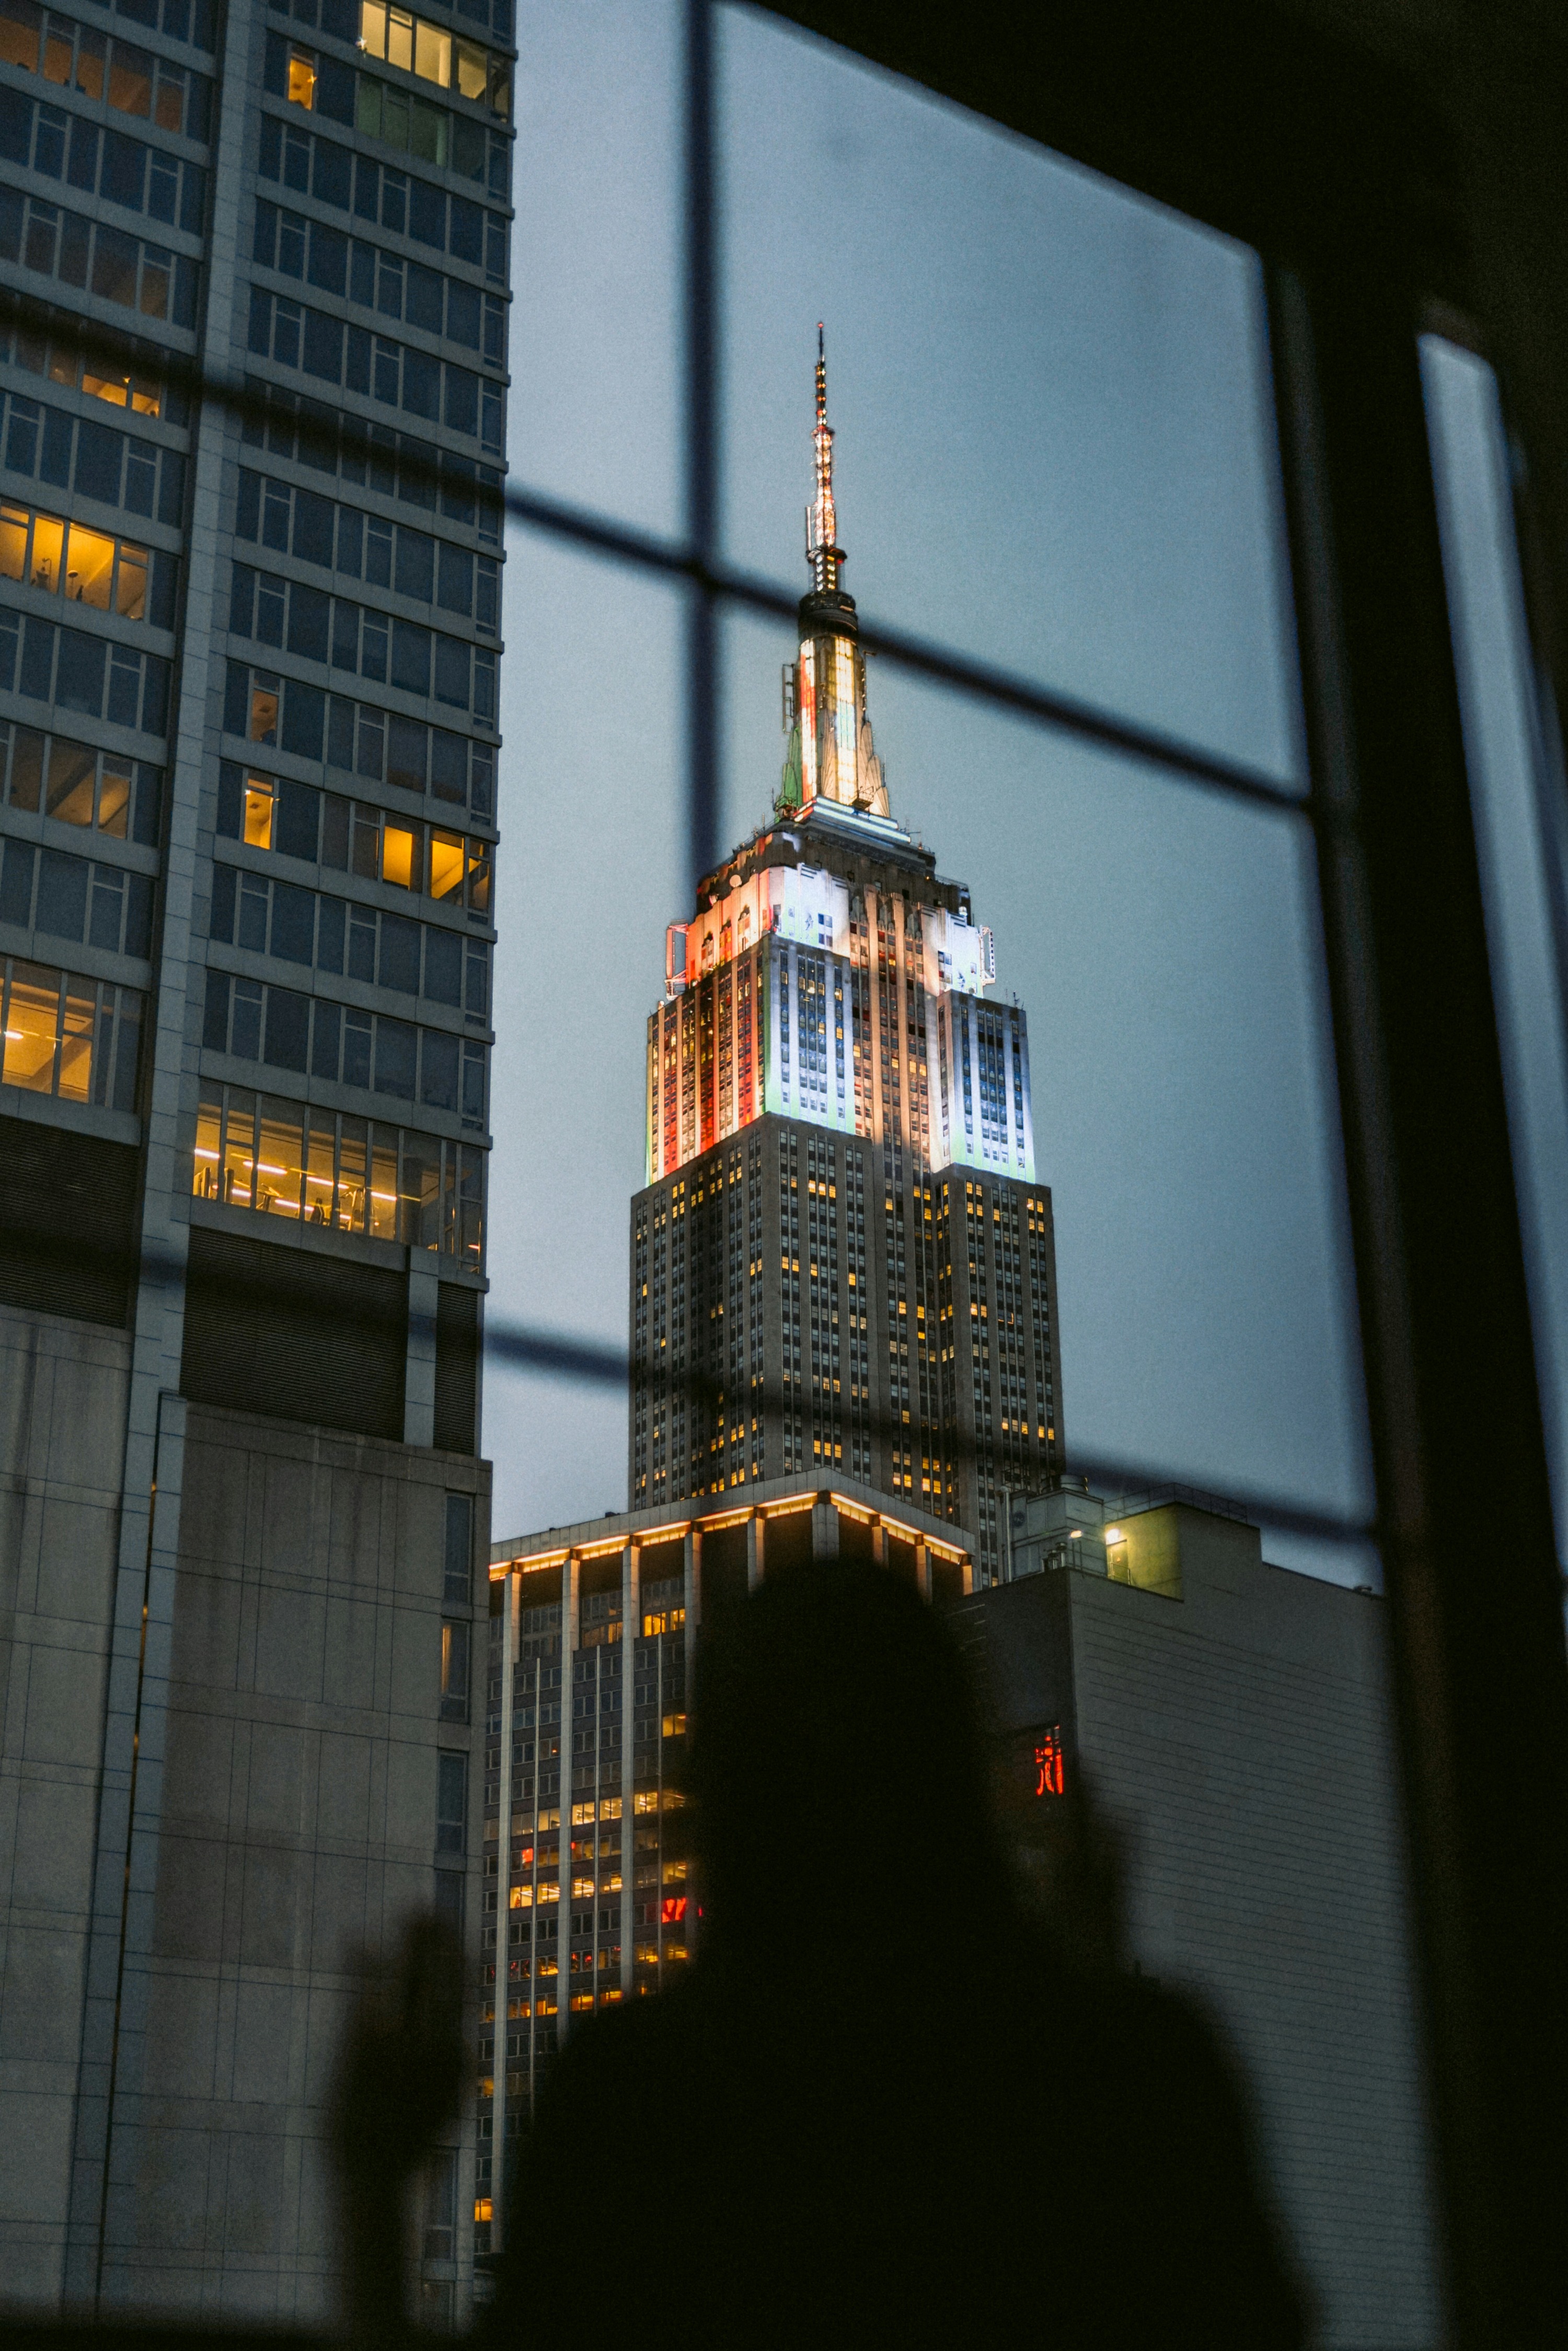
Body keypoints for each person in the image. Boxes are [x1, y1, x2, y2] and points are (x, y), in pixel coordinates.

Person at [336, 1560, 1308, 2348]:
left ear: (724, 1798)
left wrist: (375, 2175)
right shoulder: (1138, 2072)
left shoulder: (646, 2097)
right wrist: (1087, 1989)